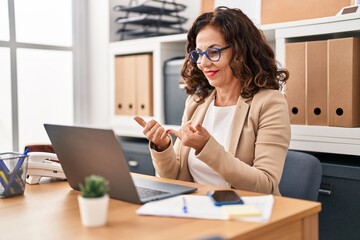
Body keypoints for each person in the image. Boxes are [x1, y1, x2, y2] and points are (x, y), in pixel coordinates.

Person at [134, 6, 291, 195]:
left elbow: (265, 185)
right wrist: (163, 146)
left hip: (243, 212)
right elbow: (175, 178)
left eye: (214, 52)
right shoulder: (197, 102)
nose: (203, 63)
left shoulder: (270, 103)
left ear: (241, 52)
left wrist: (206, 147)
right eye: (199, 54)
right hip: (197, 208)